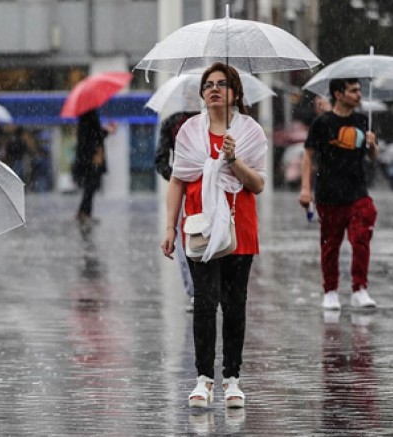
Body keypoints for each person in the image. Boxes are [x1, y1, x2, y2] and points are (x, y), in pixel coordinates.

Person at [160, 63, 267, 409]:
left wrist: (233, 160)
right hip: (200, 227)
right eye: (209, 84)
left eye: (222, 84)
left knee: (235, 305)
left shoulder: (250, 131)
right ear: (202, 94)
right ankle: (204, 380)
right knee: (205, 303)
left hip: (240, 227)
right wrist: (168, 227)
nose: (215, 89)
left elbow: (258, 184)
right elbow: (177, 180)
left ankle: (232, 379)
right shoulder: (189, 131)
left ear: (235, 93)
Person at [299, 78, 379, 310]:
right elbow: (308, 155)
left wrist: (372, 145)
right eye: (353, 91)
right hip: (329, 195)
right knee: (330, 245)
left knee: (361, 237)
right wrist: (305, 189)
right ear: (339, 94)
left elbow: (373, 156)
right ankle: (331, 290)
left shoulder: (363, 121)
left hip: (358, 192)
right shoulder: (322, 123)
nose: (359, 95)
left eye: (360, 90)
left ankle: (360, 288)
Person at [154, 110, 200, 312]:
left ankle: (204, 289)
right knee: (185, 238)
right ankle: (195, 291)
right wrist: (178, 177)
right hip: (186, 190)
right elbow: (161, 161)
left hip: (210, 188)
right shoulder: (172, 123)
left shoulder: (213, 118)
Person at [73, 109, 116, 223]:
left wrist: (106, 130)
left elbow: (93, 134)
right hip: (91, 158)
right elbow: (93, 136)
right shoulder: (89, 116)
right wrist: (95, 151)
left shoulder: (87, 116)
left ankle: (84, 212)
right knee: (91, 186)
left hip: (89, 157)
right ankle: (85, 212)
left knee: (90, 186)